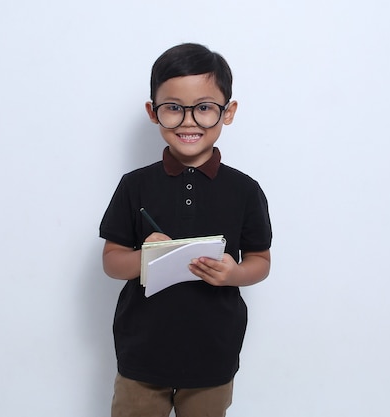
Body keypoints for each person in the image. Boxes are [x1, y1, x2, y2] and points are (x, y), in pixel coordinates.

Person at [99, 43, 272, 417]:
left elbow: (260, 261)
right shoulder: (135, 185)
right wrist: (145, 258)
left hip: (213, 351)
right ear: (153, 112)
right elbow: (112, 263)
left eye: (205, 107)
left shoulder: (245, 189)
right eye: (174, 108)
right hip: (141, 353)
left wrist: (234, 273)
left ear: (228, 112)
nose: (189, 121)